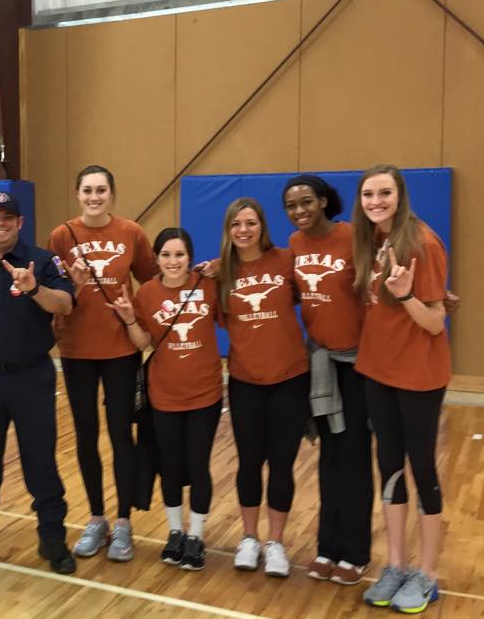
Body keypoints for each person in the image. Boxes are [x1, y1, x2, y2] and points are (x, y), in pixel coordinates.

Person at [0, 191, 76, 576]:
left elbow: (66, 304)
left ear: (20, 222)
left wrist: (34, 289)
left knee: (40, 463)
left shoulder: (41, 261)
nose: (0, 223)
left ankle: (53, 539)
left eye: (9, 216)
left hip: (32, 379)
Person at [352, 165, 450, 614]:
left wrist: (408, 295)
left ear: (400, 195)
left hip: (419, 377)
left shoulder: (422, 244)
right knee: (388, 466)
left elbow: (433, 321)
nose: (376, 201)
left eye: (385, 193)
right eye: (369, 194)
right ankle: (395, 564)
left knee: (422, 471)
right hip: (378, 373)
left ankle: (427, 575)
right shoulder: (371, 241)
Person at [46, 165, 156, 561]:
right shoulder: (61, 236)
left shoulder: (131, 233)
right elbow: (55, 289)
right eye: (88, 190)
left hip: (121, 351)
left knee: (120, 435)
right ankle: (96, 518)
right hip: (76, 351)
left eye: (102, 190)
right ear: (77, 194)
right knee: (85, 435)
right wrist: (72, 285)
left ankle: (124, 522)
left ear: (112, 194)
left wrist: (137, 321)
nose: (95, 197)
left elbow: (155, 281)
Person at [108, 228, 223, 570]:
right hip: (164, 396)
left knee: (198, 464)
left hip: (205, 394)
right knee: (170, 466)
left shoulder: (208, 286)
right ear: (156, 259)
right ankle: (175, 532)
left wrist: (221, 266)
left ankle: (196, 536)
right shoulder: (147, 293)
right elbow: (142, 342)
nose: (173, 261)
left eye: (180, 255)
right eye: (166, 255)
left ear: (190, 257)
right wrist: (128, 317)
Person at [283, 175, 373, 585]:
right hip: (320, 362)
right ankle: (326, 548)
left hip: (357, 364)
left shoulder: (353, 236)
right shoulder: (295, 245)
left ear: (323, 201)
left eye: (306, 202)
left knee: (353, 458)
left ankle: (354, 553)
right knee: (328, 458)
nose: (299, 211)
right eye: (291, 205)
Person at [218, 198, 310, 578]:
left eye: (251, 222)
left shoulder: (286, 261)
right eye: (236, 223)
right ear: (228, 229)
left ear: (262, 226)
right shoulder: (221, 274)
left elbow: (322, 297)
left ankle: (275, 543)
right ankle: (249, 538)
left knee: (282, 464)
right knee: (249, 462)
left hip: (290, 378)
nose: (244, 229)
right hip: (245, 382)